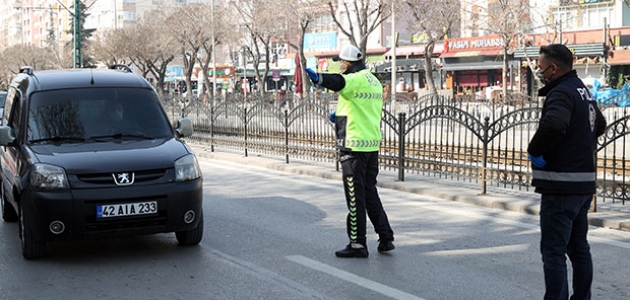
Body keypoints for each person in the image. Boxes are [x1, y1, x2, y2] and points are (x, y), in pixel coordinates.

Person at [528, 44, 607, 300]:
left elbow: (554, 124)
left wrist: (535, 150)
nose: (540, 72)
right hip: (583, 185)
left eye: (541, 68)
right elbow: (601, 124)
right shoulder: (581, 90)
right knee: (579, 249)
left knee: (553, 252)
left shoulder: (561, 92)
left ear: (554, 67)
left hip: (561, 186)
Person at [305, 45, 395, 258]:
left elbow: (339, 82)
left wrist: (318, 78)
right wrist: (342, 114)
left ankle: (357, 244)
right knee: (370, 192)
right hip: (371, 144)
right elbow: (361, 105)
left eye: (341, 62)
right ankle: (385, 237)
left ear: (347, 62)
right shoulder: (373, 80)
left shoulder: (353, 79)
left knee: (355, 197)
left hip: (354, 146)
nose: (341, 65)